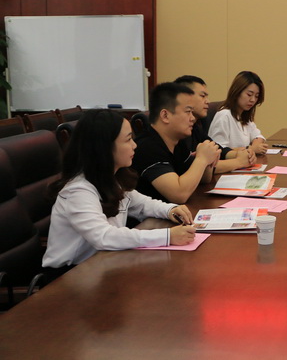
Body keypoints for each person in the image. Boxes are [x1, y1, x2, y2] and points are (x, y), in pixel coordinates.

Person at [42, 110, 196, 274]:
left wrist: (170, 210)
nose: (134, 145)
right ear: (105, 147)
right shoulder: (78, 191)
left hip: (102, 264)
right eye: (128, 139)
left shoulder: (112, 178)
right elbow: (104, 237)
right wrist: (167, 236)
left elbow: (143, 204)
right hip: (69, 276)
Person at [132, 82, 220, 203]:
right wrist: (202, 159)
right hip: (146, 215)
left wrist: (209, 160)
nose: (192, 118)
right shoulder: (147, 147)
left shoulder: (177, 142)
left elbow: (204, 180)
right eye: (188, 112)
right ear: (165, 115)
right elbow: (179, 195)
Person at [174, 75, 255, 173]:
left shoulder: (195, 128)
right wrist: (239, 162)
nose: (208, 101)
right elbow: (198, 167)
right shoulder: (177, 134)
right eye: (202, 96)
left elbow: (217, 149)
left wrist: (240, 154)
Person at [209, 71, 269, 154]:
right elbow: (219, 150)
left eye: (256, 96)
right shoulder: (224, 116)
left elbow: (258, 136)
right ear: (237, 92)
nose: (253, 100)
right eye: (249, 94)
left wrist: (255, 147)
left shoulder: (244, 115)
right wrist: (250, 149)